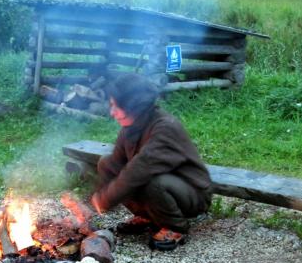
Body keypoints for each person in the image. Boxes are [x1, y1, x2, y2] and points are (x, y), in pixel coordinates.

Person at [91, 73, 213, 251]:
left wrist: (105, 199)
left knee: (150, 182)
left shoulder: (165, 127)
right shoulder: (130, 128)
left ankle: (176, 226)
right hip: (160, 182)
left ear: (134, 107)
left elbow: (139, 170)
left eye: (116, 106)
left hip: (192, 193)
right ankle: (149, 217)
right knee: (105, 163)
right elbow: (116, 164)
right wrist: (96, 197)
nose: (112, 112)